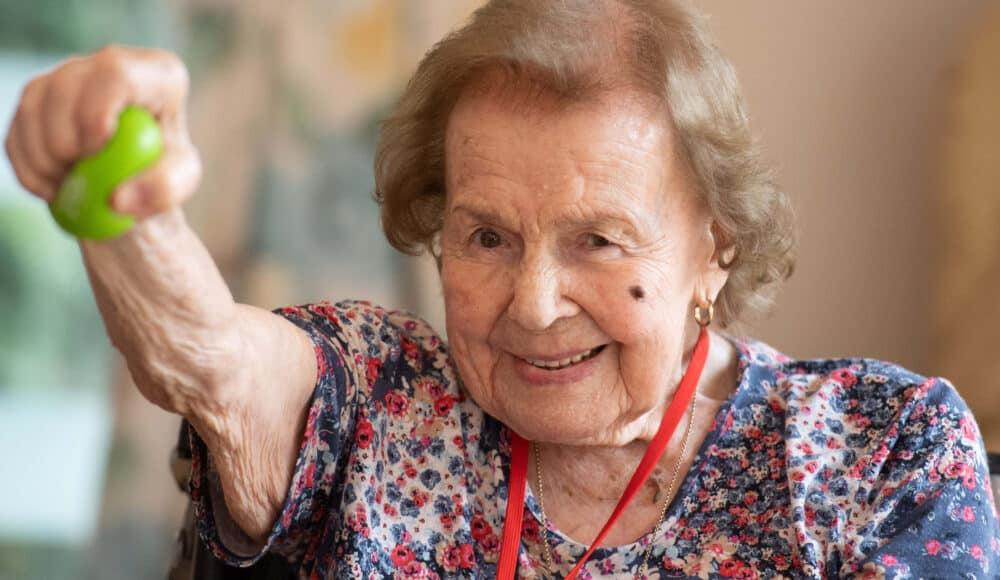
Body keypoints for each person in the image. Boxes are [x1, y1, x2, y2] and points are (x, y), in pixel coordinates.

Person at [6, 0, 999, 577]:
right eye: (485, 235)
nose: (531, 303)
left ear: (716, 244)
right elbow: (209, 358)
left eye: (599, 241)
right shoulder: (375, 401)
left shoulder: (877, 447)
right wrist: (120, 201)